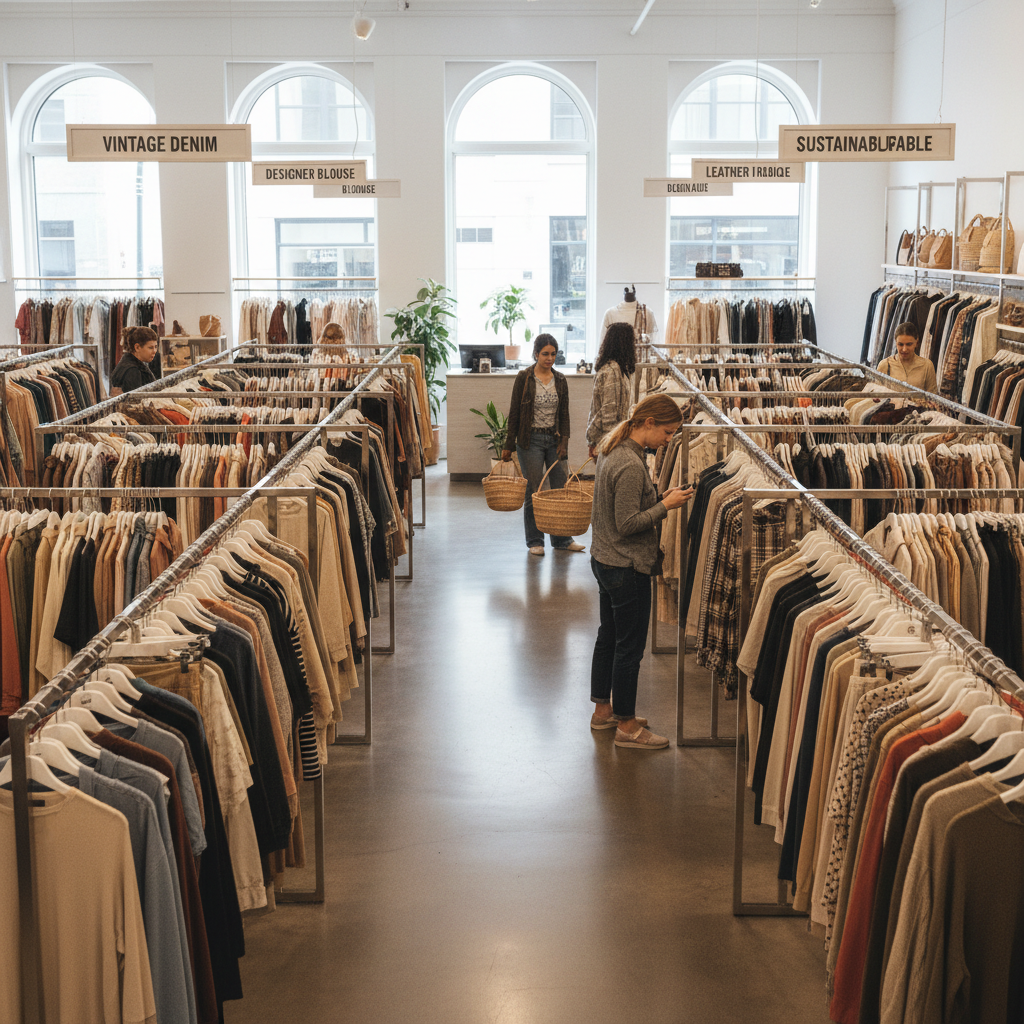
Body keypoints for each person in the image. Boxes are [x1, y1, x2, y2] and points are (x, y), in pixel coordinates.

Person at [588, 394, 692, 749]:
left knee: (609, 636)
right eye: (666, 432)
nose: (668, 440)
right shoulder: (630, 464)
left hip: (605, 560)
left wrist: (661, 495)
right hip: (626, 565)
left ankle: (604, 712)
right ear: (647, 423)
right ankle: (628, 727)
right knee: (629, 648)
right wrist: (665, 505)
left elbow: (624, 506)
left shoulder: (612, 449)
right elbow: (627, 523)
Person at [502, 333, 585, 556]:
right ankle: (535, 541)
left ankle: (562, 539)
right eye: (545, 354)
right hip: (530, 441)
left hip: (555, 440)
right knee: (534, 490)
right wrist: (508, 445)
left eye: (553, 354)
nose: (549, 358)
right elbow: (515, 412)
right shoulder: (524, 378)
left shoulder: (560, 380)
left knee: (559, 489)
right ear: (536, 354)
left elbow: (565, 414)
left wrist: (564, 442)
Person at [586, 321, 636, 458]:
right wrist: (610, 445)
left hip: (611, 439)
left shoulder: (618, 369)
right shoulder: (612, 371)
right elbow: (608, 413)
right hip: (608, 441)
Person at [877, 321, 938, 392]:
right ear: (896, 343)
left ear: (916, 342)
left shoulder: (927, 366)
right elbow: (876, 395)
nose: (904, 349)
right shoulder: (885, 365)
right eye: (900, 344)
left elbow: (932, 398)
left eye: (909, 344)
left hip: (918, 403)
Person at [110, 326, 159, 396]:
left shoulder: (128, 363)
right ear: (137, 347)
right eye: (150, 347)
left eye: (156, 347)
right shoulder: (132, 371)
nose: (154, 351)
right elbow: (135, 402)